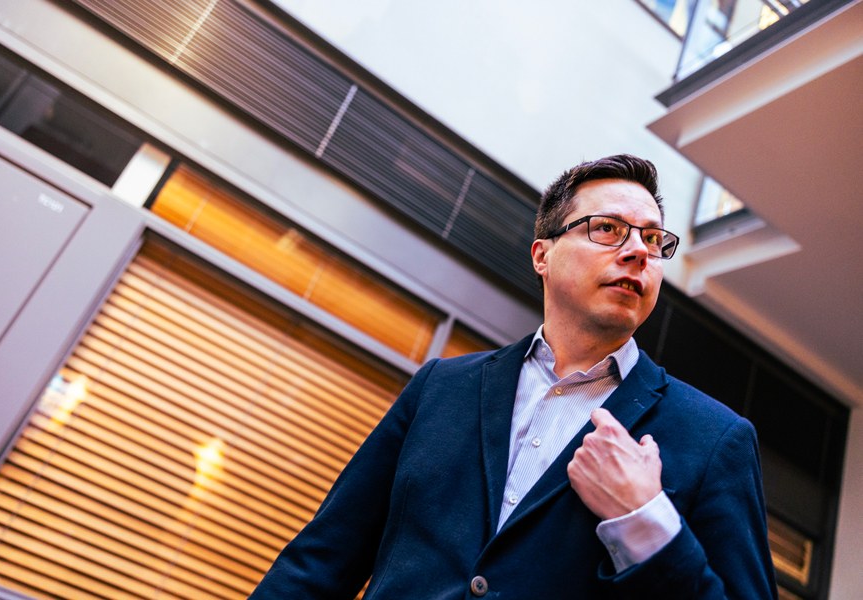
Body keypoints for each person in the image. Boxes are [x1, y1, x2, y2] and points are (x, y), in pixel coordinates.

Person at [248, 154, 777, 599]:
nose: (639, 251)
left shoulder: (716, 439)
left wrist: (645, 519)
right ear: (542, 255)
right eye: (609, 229)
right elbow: (321, 562)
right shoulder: (440, 387)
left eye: (654, 239)